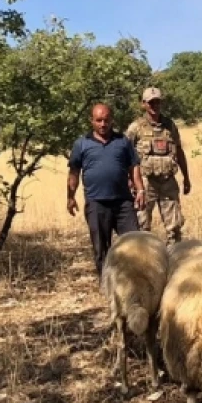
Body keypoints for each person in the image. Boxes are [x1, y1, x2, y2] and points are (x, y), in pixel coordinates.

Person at [66, 103, 146, 276]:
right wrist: (70, 197)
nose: (103, 124)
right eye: (99, 120)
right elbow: (74, 172)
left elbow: (134, 167)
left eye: (106, 120)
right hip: (96, 203)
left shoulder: (122, 141)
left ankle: (134, 282)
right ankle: (106, 283)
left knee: (134, 243)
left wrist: (140, 190)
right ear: (91, 121)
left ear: (112, 120)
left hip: (123, 202)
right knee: (101, 248)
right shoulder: (82, 144)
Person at [125, 87, 190, 244]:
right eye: (151, 102)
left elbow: (179, 151)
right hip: (145, 182)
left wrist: (186, 177)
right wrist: (129, 180)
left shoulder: (170, 126)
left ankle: (174, 260)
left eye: (157, 102)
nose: (154, 106)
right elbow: (125, 154)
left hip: (168, 181)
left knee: (174, 228)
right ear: (143, 104)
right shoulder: (136, 127)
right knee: (141, 226)